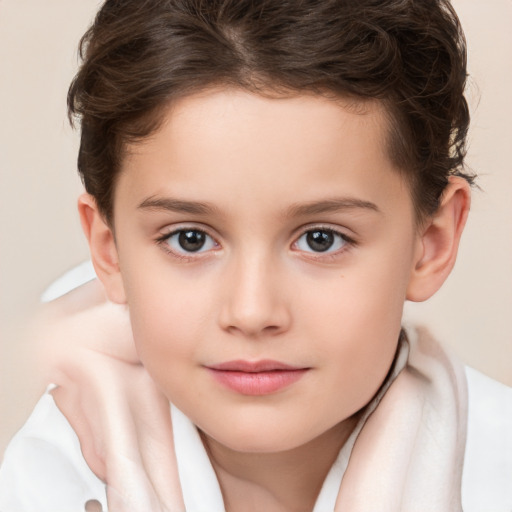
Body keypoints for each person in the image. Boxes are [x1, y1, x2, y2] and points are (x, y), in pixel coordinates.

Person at [0, 0, 511, 511]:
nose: (252, 312)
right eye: (190, 239)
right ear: (108, 253)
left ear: (432, 243)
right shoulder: (38, 481)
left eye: (321, 239)